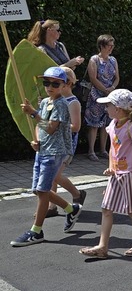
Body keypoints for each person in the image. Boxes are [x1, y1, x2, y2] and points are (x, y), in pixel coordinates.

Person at [79, 89, 132, 259]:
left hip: (131, 175)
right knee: (106, 209)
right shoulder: (113, 125)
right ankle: (102, 246)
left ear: (118, 109)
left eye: (108, 105)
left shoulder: (131, 127)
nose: (106, 108)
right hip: (116, 174)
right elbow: (113, 149)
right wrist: (111, 167)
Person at [12, 67, 82, 247]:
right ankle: (70, 208)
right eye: (46, 83)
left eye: (55, 83)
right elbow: (40, 127)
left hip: (55, 152)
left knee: (42, 191)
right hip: (43, 150)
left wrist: (33, 113)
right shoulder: (45, 103)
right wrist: (35, 140)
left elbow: (51, 127)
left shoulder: (61, 104)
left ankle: (36, 231)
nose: (50, 87)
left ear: (64, 85)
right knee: (38, 189)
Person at [45, 67, 86, 217]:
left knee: (54, 175)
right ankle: (51, 206)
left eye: (56, 84)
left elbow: (76, 127)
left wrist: (56, 124)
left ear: (67, 84)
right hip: (54, 144)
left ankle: (76, 193)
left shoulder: (72, 102)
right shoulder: (55, 101)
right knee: (53, 175)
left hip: (66, 145)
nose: (51, 87)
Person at [84, 34, 119, 162]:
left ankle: (103, 150)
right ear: (101, 46)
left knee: (106, 123)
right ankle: (91, 151)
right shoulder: (94, 60)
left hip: (109, 96)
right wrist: (104, 89)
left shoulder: (113, 60)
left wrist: (112, 88)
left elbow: (117, 77)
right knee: (94, 123)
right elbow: (93, 78)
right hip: (96, 96)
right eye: (109, 45)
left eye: (112, 45)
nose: (111, 48)